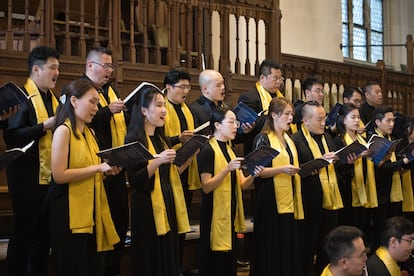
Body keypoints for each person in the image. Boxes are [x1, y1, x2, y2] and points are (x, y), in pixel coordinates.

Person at [48, 79, 120, 275]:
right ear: (74, 101)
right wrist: (97, 168)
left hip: (91, 209)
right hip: (68, 211)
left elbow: (91, 171)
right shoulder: (63, 131)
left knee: (94, 267)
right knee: (74, 267)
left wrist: (106, 172)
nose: (97, 108)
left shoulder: (90, 132)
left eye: (98, 103)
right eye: (92, 102)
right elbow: (59, 175)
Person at [3, 46, 60, 276]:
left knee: (43, 238)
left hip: (48, 179)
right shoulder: (22, 98)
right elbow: (11, 137)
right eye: (53, 67)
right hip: (26, 180)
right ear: (36, 70)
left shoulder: (53, 99)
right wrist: (43, 127)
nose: (57, 72)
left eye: (58, 68)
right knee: (23, 236)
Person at [125, 85, 191, 276]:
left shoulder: (161, 138)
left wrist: (188, 155)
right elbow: (136, 180)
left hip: (166, 201)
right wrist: (158, 160)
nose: (164, 110)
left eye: (164, 105)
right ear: (144, 111)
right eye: (159, 105)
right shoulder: (134, 138)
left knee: (166, 255)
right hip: (146, 206)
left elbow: (170, 173)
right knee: (150, 257)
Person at [197, 107, 262, 276]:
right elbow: (206, 186)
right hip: (213, 214)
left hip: (230, 214)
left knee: (228, 262)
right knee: (214, 262)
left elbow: (242, 185)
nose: (236, 127)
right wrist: (227, 169)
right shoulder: (208, 150)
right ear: (217, 125)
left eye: (236, 123)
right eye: (231, 122)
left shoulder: (230, 149)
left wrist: (255, 174)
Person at [81, 46, 129, 276]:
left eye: (111, 66)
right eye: (106, 65)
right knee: (99, 227)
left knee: (120, 222)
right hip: (95, 169)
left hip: (118, 167)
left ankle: (113, 270)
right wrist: (108, 111)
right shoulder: (80, 90)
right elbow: (82, 123)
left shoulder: (111, 90)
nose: (110, 70)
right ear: (90, 66)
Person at [249, 97, 304, 276]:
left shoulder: (289, 139)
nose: (291, 118)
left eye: (292, 114)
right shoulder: (263, 138)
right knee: (271, 245)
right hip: (270, 198)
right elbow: (256, 171)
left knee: (287, 244)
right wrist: (281, 169)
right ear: (274, 115)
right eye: (287, 114)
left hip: (290, 198)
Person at [292, 100, 343, 276]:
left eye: (324, 119)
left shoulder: (328, 137)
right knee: (306, 250)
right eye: (319, 119)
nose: (323, 123)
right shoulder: (295, 140)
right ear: (305, 121)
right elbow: (295, 170)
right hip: (308, 201)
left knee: (327, 249)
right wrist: (317, 163)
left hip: (330, 201)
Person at [163, 67, 201, 274]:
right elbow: (158, 140)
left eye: (188, 86)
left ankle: (178, 263)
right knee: (170, 220)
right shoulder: (161, 107)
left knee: (182, 220)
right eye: (182, 87)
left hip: (186, 168)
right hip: (168, 171)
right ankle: (169, 264)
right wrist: (179, 139)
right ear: (168, 87)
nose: (186, 91)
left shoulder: (188, 109)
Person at [369, 106, 412, 250]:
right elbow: (382, 168)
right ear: (377, 122)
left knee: (394, 231)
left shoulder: (391, 139)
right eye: (388, 121)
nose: (392, 124)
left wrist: (408, 160)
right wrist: (402, 162)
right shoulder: (374, 141)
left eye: (393, 121)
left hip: (393, 191)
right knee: (381, 233)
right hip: (380, 193)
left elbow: (394, 165)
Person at [334, 103, 377, 231]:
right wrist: (353, 160)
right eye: (353, 117)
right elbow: (337, 167)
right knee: (350, 226)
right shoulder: (339, 140)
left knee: (362, 225)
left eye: (358, 117)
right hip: (348, 190)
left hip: (364, 186)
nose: (357, 120)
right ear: (344, 120)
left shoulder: (361, 139)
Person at [237, 59, 284, 154]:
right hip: (258, 148)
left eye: (280, 78)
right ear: (262, 77)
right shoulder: (249, 97)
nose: (279, 82)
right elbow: (252, 123)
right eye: (275, 78)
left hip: (280, 145)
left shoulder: (280, 97)